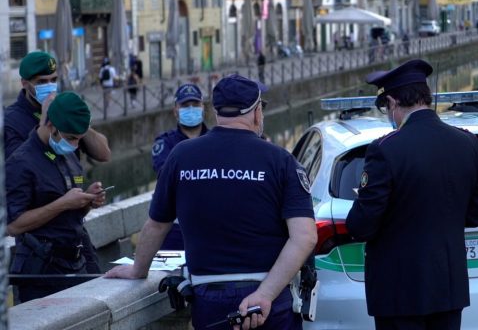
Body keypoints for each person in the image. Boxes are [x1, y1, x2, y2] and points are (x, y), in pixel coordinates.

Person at [106, 74, 316, 330]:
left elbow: (156, 224)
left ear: (216, 112)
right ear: (256, 111)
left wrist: (138, 269)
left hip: (209, 299)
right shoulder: (281, 160)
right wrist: (266, 294)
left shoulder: (181, 156)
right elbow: (304, 237)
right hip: (267, 299)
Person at [346, 59, 478, 330]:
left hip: (399, 291)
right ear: (426, 98)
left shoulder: (385, 150)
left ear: (391, 101)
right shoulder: (467, 142)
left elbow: (362, 225)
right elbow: (476, 214)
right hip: (448, 287)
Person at [6, 92, 107, 302]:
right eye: (71, 138)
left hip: (76, 260)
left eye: (79, 139)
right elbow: (13, 225)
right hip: (41, 270)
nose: (75, 145)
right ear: (51, 125)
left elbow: (72, 211)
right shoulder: (21, 162)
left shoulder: (68, 152)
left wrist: (88, 200)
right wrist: (62, 204)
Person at [4, 51, 111, 162]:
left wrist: (79, 122)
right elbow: (16, 166)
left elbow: (104, 155)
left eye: (54, 80)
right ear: (25, 83)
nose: (49, 86)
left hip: (75, 179)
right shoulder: (10, 121)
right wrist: (42, 127)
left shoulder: (63, 108)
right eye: (42, 81)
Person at [150, 83, 209, 250]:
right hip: (174, 229)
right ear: (175, 110)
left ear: (203, 107)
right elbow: (166, 175)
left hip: (210, 227)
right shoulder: (165, 142)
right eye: (185, 105)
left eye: (195, 104)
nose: (191, 109)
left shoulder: (215, 139)